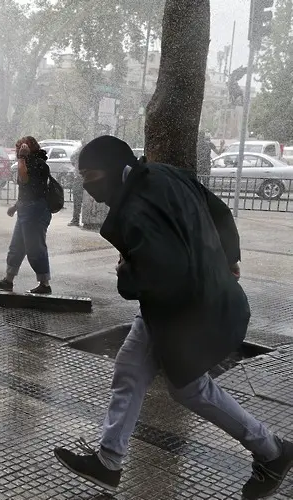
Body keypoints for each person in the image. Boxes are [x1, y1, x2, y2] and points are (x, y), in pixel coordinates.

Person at [52, 136, 293, 500]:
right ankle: (109, 460)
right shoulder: (165, 175)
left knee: (188, 388)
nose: (86, 185)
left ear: (116, 170)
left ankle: (273, 451)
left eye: (90, 175)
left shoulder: (134, 209)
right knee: (131, 369)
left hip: (189, 311)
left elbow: (161, 271)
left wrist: (125, 271)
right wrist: (230, 257)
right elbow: (219, 212)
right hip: (187, 303)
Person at [0, 136, 53, 294]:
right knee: (16, 247)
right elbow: (27, 191)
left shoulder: (38, 164)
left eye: (20, 148)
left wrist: (22, 159)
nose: (17, 151)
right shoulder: (29, 162)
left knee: (35, 248)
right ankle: (8, 280)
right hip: (25, 210)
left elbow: (25, 181)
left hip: (35, 212)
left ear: (29, 149)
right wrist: (16, 207)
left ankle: (44, 283)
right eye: (18, 148)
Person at [68, 146, 83, 227]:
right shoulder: (81, 151)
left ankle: (76, 219)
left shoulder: (79, 151)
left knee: (77, 200)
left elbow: (72, 159)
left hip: (79, 178)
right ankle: (76, 219)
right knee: (77, 200)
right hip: (83, 178)